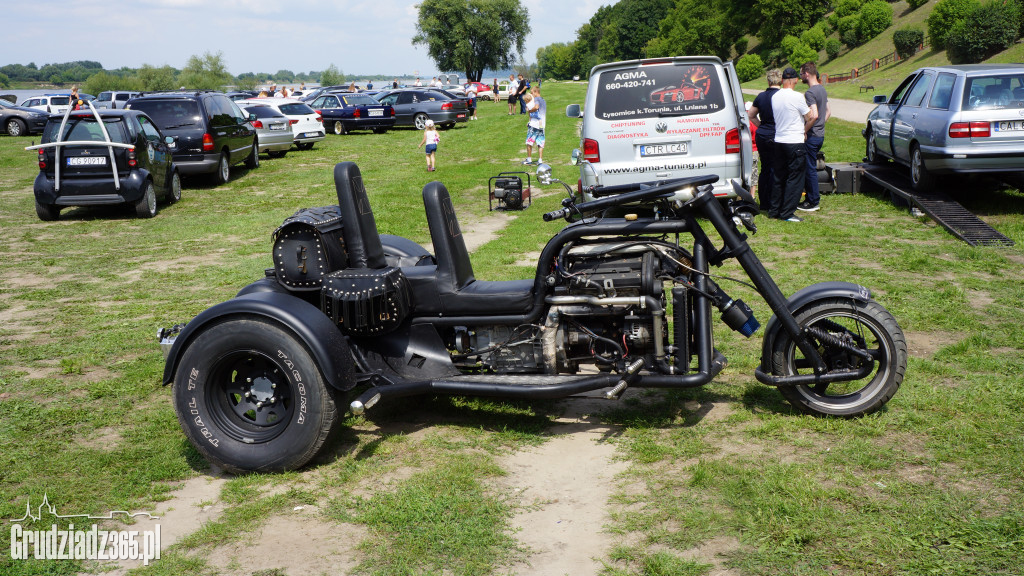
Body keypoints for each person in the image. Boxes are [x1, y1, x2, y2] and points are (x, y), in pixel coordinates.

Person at [770, 67, 816, 222]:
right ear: (796, 80)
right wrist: (809, 112)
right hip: (794, 141)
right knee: (795, 177)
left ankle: (774, 209)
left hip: (779, 140)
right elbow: (809, 116)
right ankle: (787, 212)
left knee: (778, 176)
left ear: (782, 80)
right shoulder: (797, 96)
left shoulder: (775, 96)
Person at [747, 68, 782, 211]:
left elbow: (750, 114)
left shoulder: (761, 96)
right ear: (781, 80)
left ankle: (764, 202)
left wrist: (760, 125)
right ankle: (775, 201)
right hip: (778, 134)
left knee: (765, 168)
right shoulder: (783, 97)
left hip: (763, 135)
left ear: (768, 81)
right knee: (777, 168)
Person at [798, 62, 830, 213]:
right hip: (820, 135)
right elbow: (828, 112)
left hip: (812, 137)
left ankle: (813, 201)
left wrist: (805, 130)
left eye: (801, 74)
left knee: (810, 169)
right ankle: (810, 198)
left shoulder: (810, 93)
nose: (800, 77)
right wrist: (820, 126)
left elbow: (815, 115)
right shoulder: (822, 89)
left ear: (807, 73)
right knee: (810, 167)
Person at [522, 86, 547, 165]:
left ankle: (529, 159)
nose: (532, 95)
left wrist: (529, 110)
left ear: (536, 92)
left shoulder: (536, 99)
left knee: (529, 141)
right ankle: (540, 160)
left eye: (532, 92)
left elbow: (536, 107)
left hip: (534, 124)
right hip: (542, 125)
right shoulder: (543, 100)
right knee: (540, 142)